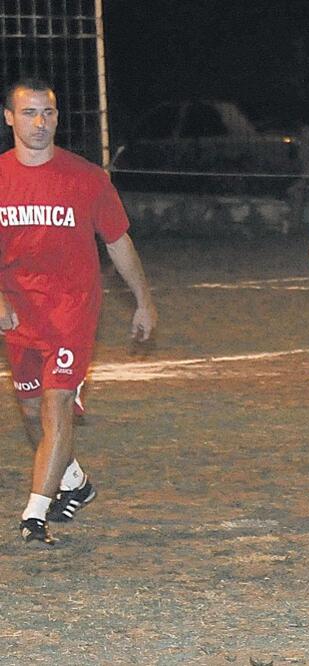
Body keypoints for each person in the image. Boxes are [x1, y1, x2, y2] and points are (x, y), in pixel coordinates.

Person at [0, 78, 157, 545]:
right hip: (20, 314)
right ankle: (75, 483)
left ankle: (34, 515)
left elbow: (118, 241)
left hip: (73, 311)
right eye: (29, 112)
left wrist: (144, 300)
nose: (40, 122)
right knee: (32, 413)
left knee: (57, 404)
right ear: (8, 118)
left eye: (48, 112)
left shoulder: (86, 178)